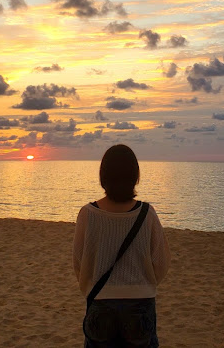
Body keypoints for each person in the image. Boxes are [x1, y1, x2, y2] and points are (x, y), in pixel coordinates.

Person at [73, 144, 170, 347]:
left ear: (103, 176)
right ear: (135, 176)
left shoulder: (88, 214)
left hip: (100, 301)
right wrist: (142, 284)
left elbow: (79, 263)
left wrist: (91, 288)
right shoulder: (147, 213)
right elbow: (161, 264)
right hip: (141, 303)